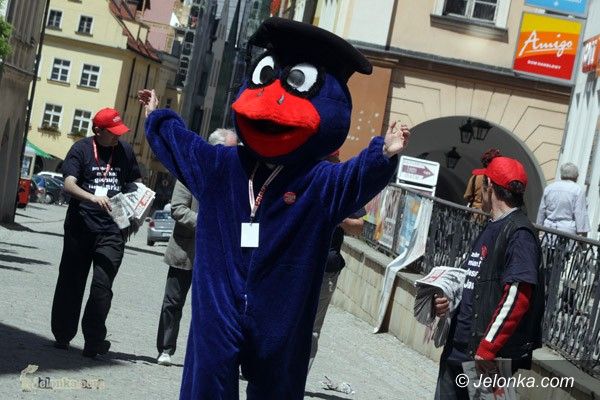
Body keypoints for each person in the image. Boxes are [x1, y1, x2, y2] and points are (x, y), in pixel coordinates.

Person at [139, 17, 410, 400]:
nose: (274, 99)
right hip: (219, 305)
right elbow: (183, 146)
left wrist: (381, 155)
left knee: (277, 386)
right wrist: (157, 117)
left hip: (281, 313)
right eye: (266, 79)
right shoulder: (222, 167)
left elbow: (352, 180)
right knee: (208, 379)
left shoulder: (316, 181)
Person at [433, 156, 545, 399]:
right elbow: (473, 281)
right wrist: (448, 301)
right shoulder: (493, 225)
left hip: (484, 358)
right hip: (458, 350)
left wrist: (487, 348)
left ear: (490, 187)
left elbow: (518, 296)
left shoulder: (520, 234)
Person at [51, 107, 141, 358]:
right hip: (80, 227)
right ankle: (63, 334)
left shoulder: (125, 151)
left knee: (102, 286)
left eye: (119, 131)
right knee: (71, 281)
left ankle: (93, 340)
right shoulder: (81, 149)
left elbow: (135, 181)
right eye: (112, 132)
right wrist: (91, 197)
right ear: (97, 130)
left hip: (112, 229)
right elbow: (69, 184)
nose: (117, 136)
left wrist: (139, 204)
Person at [156, 130, 238, 366]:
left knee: (211, 308)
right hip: (186, 249)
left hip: (218, 254)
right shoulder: (189, 172)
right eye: (232, 150)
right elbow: (178, 209)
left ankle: (204, 353)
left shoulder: (235, 179)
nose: (235, 155)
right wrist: (207, 223)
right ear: (216, 150)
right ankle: (166, 348)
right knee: (173, 302)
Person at [307, 151, 365, 372]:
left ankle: (296, 380)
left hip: (326, 270)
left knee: (312, 328)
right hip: (295, 264)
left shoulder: (344, 183)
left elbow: (358, 227)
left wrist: (336, 216)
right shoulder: (302, 173)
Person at [536, 162, 590, 236]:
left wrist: (539, 228)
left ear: (561, 175)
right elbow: (580, 214)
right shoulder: (578, 190)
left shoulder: (549, 188)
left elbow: (542, 210)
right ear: (576, 176)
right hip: (566, 232)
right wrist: (581, 235)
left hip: (548, 229)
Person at [463, 148, 501, 213]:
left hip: (475, 212)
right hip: (491, 214)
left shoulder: (475, 176)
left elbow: (467, 195)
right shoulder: (499, 178)